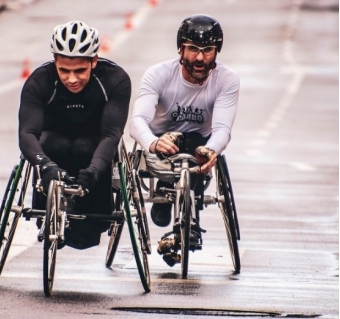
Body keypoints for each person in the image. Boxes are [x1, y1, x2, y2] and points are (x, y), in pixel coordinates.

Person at [129, 14, 240, 264]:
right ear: (181, 48)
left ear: (216, 51)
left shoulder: (227, 79)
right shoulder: (158, 74)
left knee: (194, 143)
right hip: (159, 142)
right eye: (193, 49)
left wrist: (211, 150)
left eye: (207, 50)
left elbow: (222, 128)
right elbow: (136, 122)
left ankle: (189, 224)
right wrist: (153, 143)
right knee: (181, 141)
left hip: (198, 144)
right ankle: (166, 194)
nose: (200, 58)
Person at [18, 21, 131, 250]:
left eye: (80, 70)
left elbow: (111, 135)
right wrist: (46, 166)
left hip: (93, 145)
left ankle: (90, 214)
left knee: (84, 147)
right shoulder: (40, 80)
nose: (72, 79)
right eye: (64, 71)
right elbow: (27, 133)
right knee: (51, 143)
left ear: (94, 61)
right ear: (54, 62)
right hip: (54, 143)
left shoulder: (114, 79)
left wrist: (95, 171)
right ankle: (49, 210)